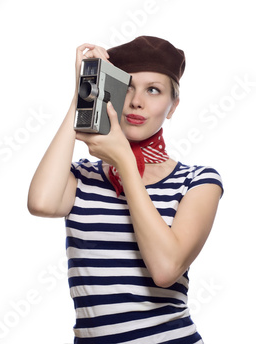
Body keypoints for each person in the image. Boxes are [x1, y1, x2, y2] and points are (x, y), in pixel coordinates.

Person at [27, 36, 223, 343]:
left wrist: (126, 165)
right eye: (127, 87)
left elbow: (165, 268)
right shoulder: (83, 176)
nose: (136, 101)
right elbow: (41, 203)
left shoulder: (197, 180)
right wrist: (83, 96)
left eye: (153, 90)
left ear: (173, 107)